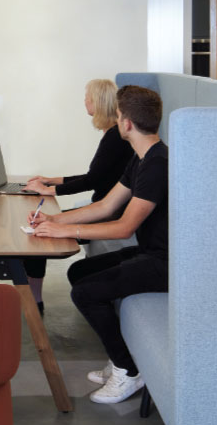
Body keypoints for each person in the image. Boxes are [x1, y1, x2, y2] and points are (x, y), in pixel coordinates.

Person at [28, 85, 168, 405]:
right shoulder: (142, 158)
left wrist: (66, 231)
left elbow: (124, 227)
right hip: (151, 251)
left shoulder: (157, 164)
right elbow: (105, 206)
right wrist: (54, 221)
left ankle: (127, 370)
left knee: (85, 292)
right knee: (79, 271)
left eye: (118, 116)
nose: (116, 121)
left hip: (167, 263)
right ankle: (121, 357)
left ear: (127, 123)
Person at [22, 79, 134, 315]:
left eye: (87, 98)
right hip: (104, 206)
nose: (84, 102)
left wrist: (51, 190)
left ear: (98, 102)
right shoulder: (111, 133)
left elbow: (91, 180)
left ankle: (35, 301)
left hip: (110, 212)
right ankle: (33, 297)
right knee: (39, 229)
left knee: (36, 236)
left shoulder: (115, 137)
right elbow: (94, 175)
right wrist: (53, 180)